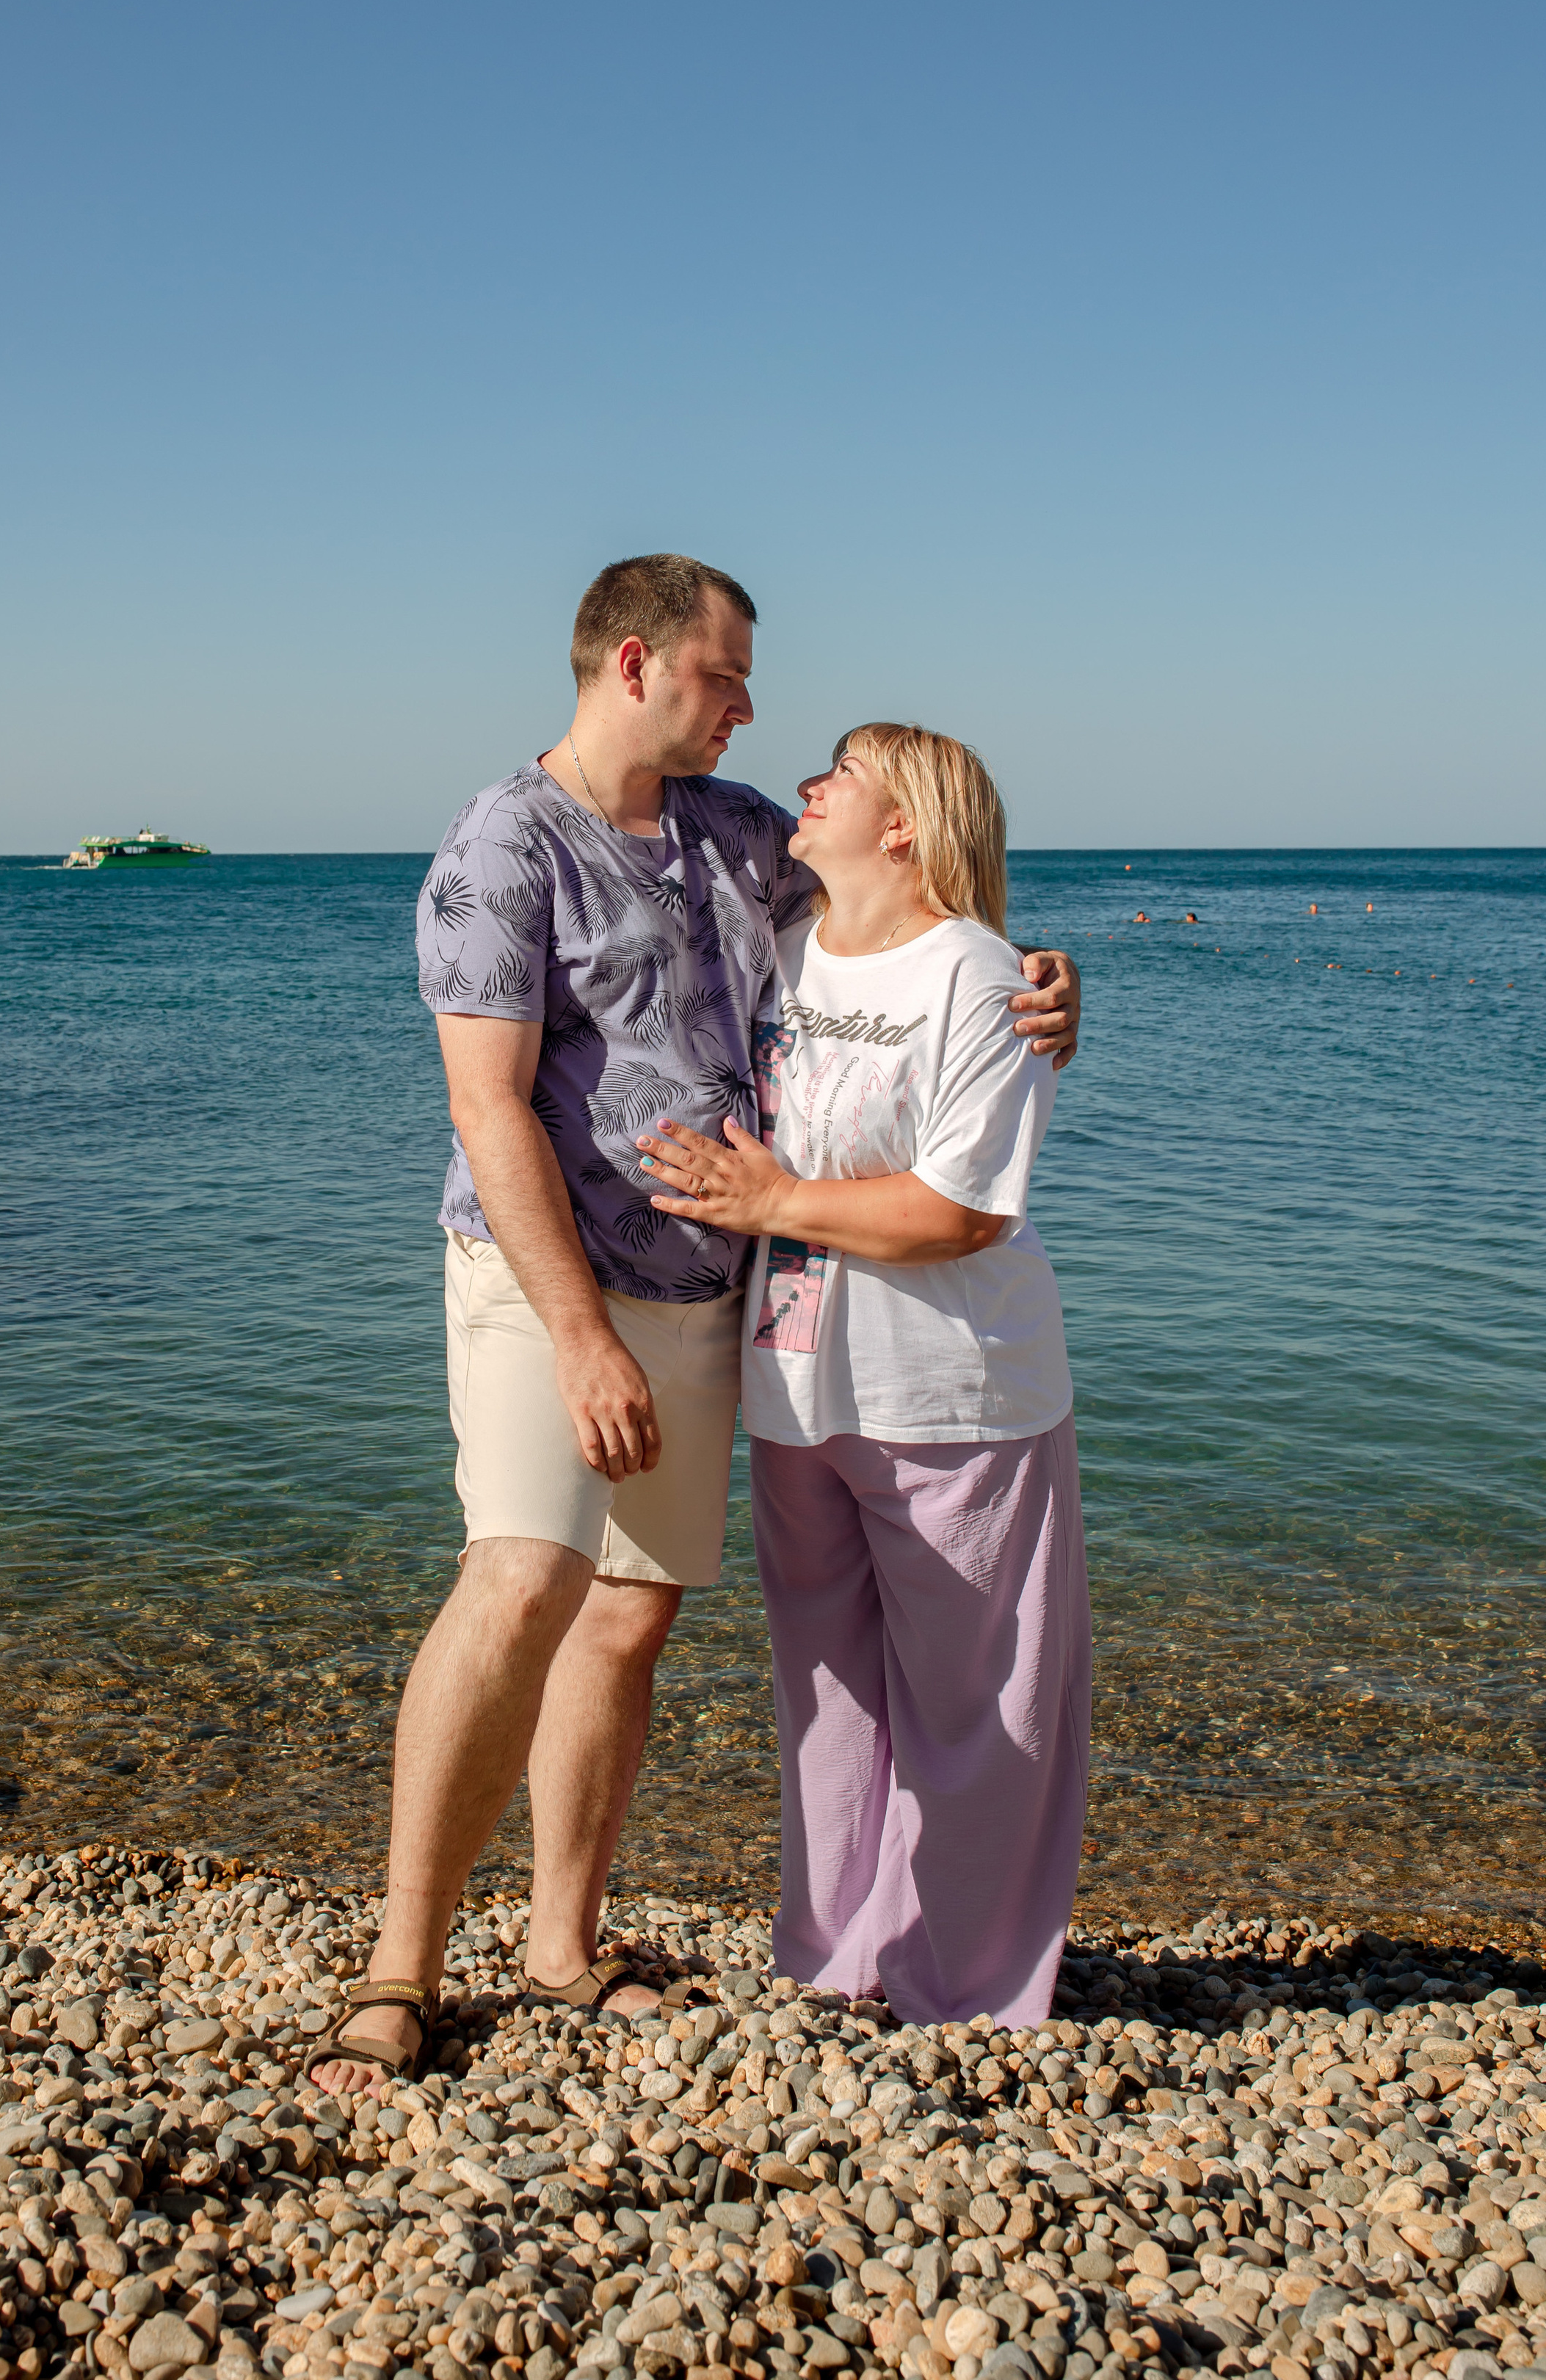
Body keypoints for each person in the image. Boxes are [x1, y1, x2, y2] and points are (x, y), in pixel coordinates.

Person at [308, 570, 1080, 2092]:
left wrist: (1044, 986)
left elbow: (907, 935)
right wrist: (579, 1336)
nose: (746, 709)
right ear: (638, 663)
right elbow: (486, 1102)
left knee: (627, 1614)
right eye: (726, 678)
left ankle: (558, 1949)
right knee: (523, 1576)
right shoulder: (499, 848)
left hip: (711, 1301)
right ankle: (398, 1970)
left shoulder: (726, 831)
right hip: (548, 1289)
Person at [636, 723, 1084, 2028]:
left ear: (905, 826)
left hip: (954, 1393)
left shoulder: (982, 980)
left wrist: (777, 1194)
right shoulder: (787, 947)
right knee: (827, 1700)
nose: (809, 785)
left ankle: (969, 1988)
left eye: (843, 772)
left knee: (977, 1711)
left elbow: (960, 1211)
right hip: (794, 1389)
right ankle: (834, 1963)